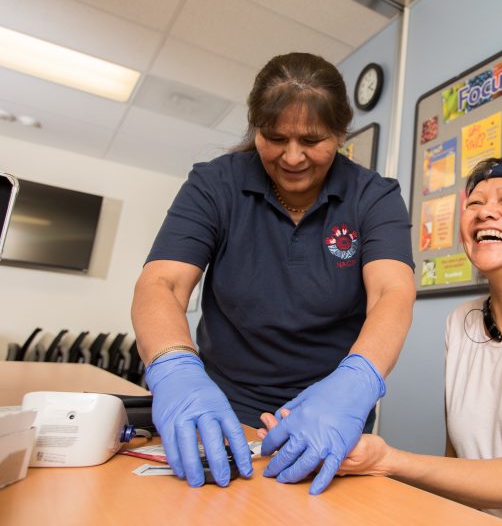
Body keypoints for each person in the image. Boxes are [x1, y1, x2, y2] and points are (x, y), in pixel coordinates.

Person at [261, 157, 502, 524]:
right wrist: (348, 454)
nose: (485, 211)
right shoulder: (461, 322)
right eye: (474, 204)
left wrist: (387, 460)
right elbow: (460, 470)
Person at [131, 53, 416, 494]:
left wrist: (357, 381)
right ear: (255, 128)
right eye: (275, 138)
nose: (293, 157)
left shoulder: (373, 197)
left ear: (341, 134)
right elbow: (162, 283)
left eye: (312, 140)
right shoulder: (215, 184)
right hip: (222, 403)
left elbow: (391, 293)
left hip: (329, 409)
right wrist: (174, 368)